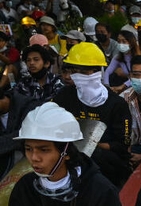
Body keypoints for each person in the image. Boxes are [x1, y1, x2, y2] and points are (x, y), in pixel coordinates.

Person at [54, 43, 133, 187]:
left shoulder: (117, 104)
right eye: (74, 70)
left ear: (98, 72)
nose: (77, 75)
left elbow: (122, 145)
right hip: (68, 156)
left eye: (84, 71)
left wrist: (90, 145)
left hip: (106, 163)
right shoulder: (64, 96)